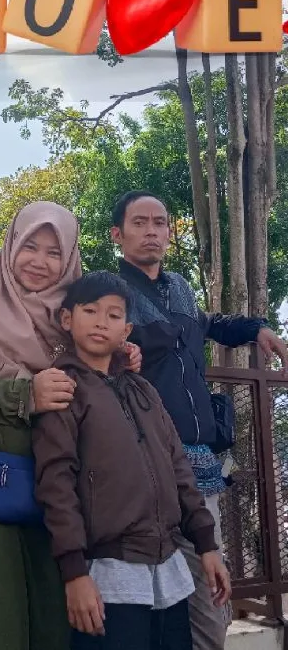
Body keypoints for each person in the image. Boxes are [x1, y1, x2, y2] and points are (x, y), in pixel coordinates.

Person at [0, 202, 141, 650]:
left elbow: (96, 346)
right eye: (30, 246)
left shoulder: (72, 308)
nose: (39, 262)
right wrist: (21, 395)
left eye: (54, 253)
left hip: (57, 478)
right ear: (11, 244)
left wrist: (121, 355)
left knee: (50, 602)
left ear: (69, 257)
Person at [109, 190, 288, 650]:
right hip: (137, 461)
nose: (152, 231)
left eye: (160, 223)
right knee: (146, 596)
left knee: (209, 595)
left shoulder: (180, 288)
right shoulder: (109, 292)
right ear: (118, 234)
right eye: (140, 223)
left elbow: (209, 323)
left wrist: (257, 328)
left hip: (197, 464)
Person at [32, 270, 231, 650]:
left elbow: (179, 472)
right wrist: (74, 573)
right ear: (67, 319)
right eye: (90, 311)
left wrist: (207, 546)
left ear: (126, 329)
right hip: (108, 572)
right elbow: (55, 482)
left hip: (168, 568)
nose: (101, 322)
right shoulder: (62, 387)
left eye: (113, 314)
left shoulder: (144, 391)